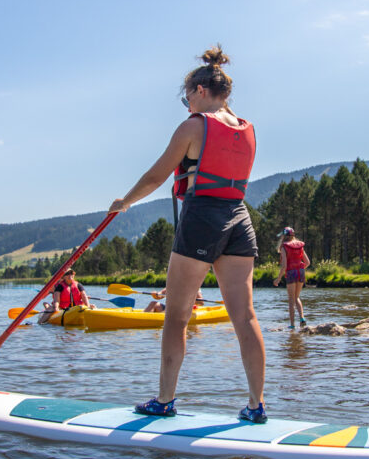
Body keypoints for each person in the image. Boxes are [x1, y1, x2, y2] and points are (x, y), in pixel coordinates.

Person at [109, 46, 267, 423]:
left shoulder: (194, 125)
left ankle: (164, 400)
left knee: (176, 317)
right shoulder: (248, 128)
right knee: (244, 316)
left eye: (187, 98)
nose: (187, 105)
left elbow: (155, 176)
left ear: (199, 90)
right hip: (239, 219)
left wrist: (125, 202)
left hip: (202, 218)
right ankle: (256, 405)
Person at [272, 227, 310, 328]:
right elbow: (307, 262)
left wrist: (278, 279)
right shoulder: (300, 245)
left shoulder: (284, 247)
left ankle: (292, 325)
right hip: (301, 272)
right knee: (296, 297)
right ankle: (302, 318)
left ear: (284, 236)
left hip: (291, 273)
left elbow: (284, 265)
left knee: (291, 300)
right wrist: (300, 269)